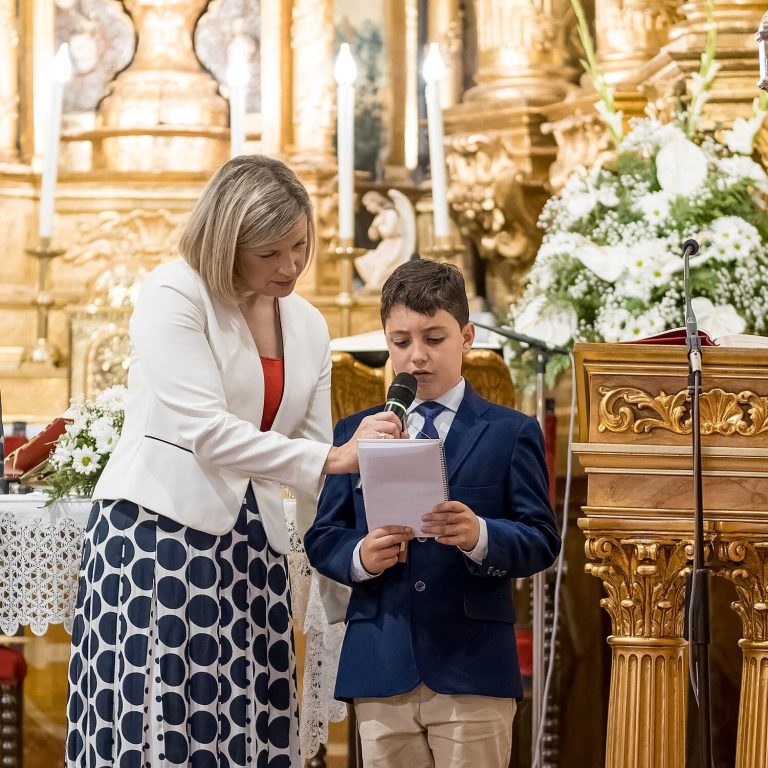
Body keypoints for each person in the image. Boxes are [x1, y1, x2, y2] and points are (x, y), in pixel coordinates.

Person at [64, 155, 403, 768]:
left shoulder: (307, 323)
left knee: (252, 712)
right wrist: (333, 458)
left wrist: (341, 565)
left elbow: (314, 460)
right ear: (227, 243)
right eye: (270, 253)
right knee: (160, 718)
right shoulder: (175, 292)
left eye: (300, 246)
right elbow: (210, 433)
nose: (291, 266)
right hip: (157, 533)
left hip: (253, 542)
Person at [304, 259, 561, 768]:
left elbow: (540, 537)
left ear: (466, 337)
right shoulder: (356, 432)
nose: (416, 357)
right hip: (382, 662)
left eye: (434, 338)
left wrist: (480, 534)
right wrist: (360, 556)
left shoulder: (510, 431)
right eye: (401, 342)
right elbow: (324, 536)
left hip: (472, 667)